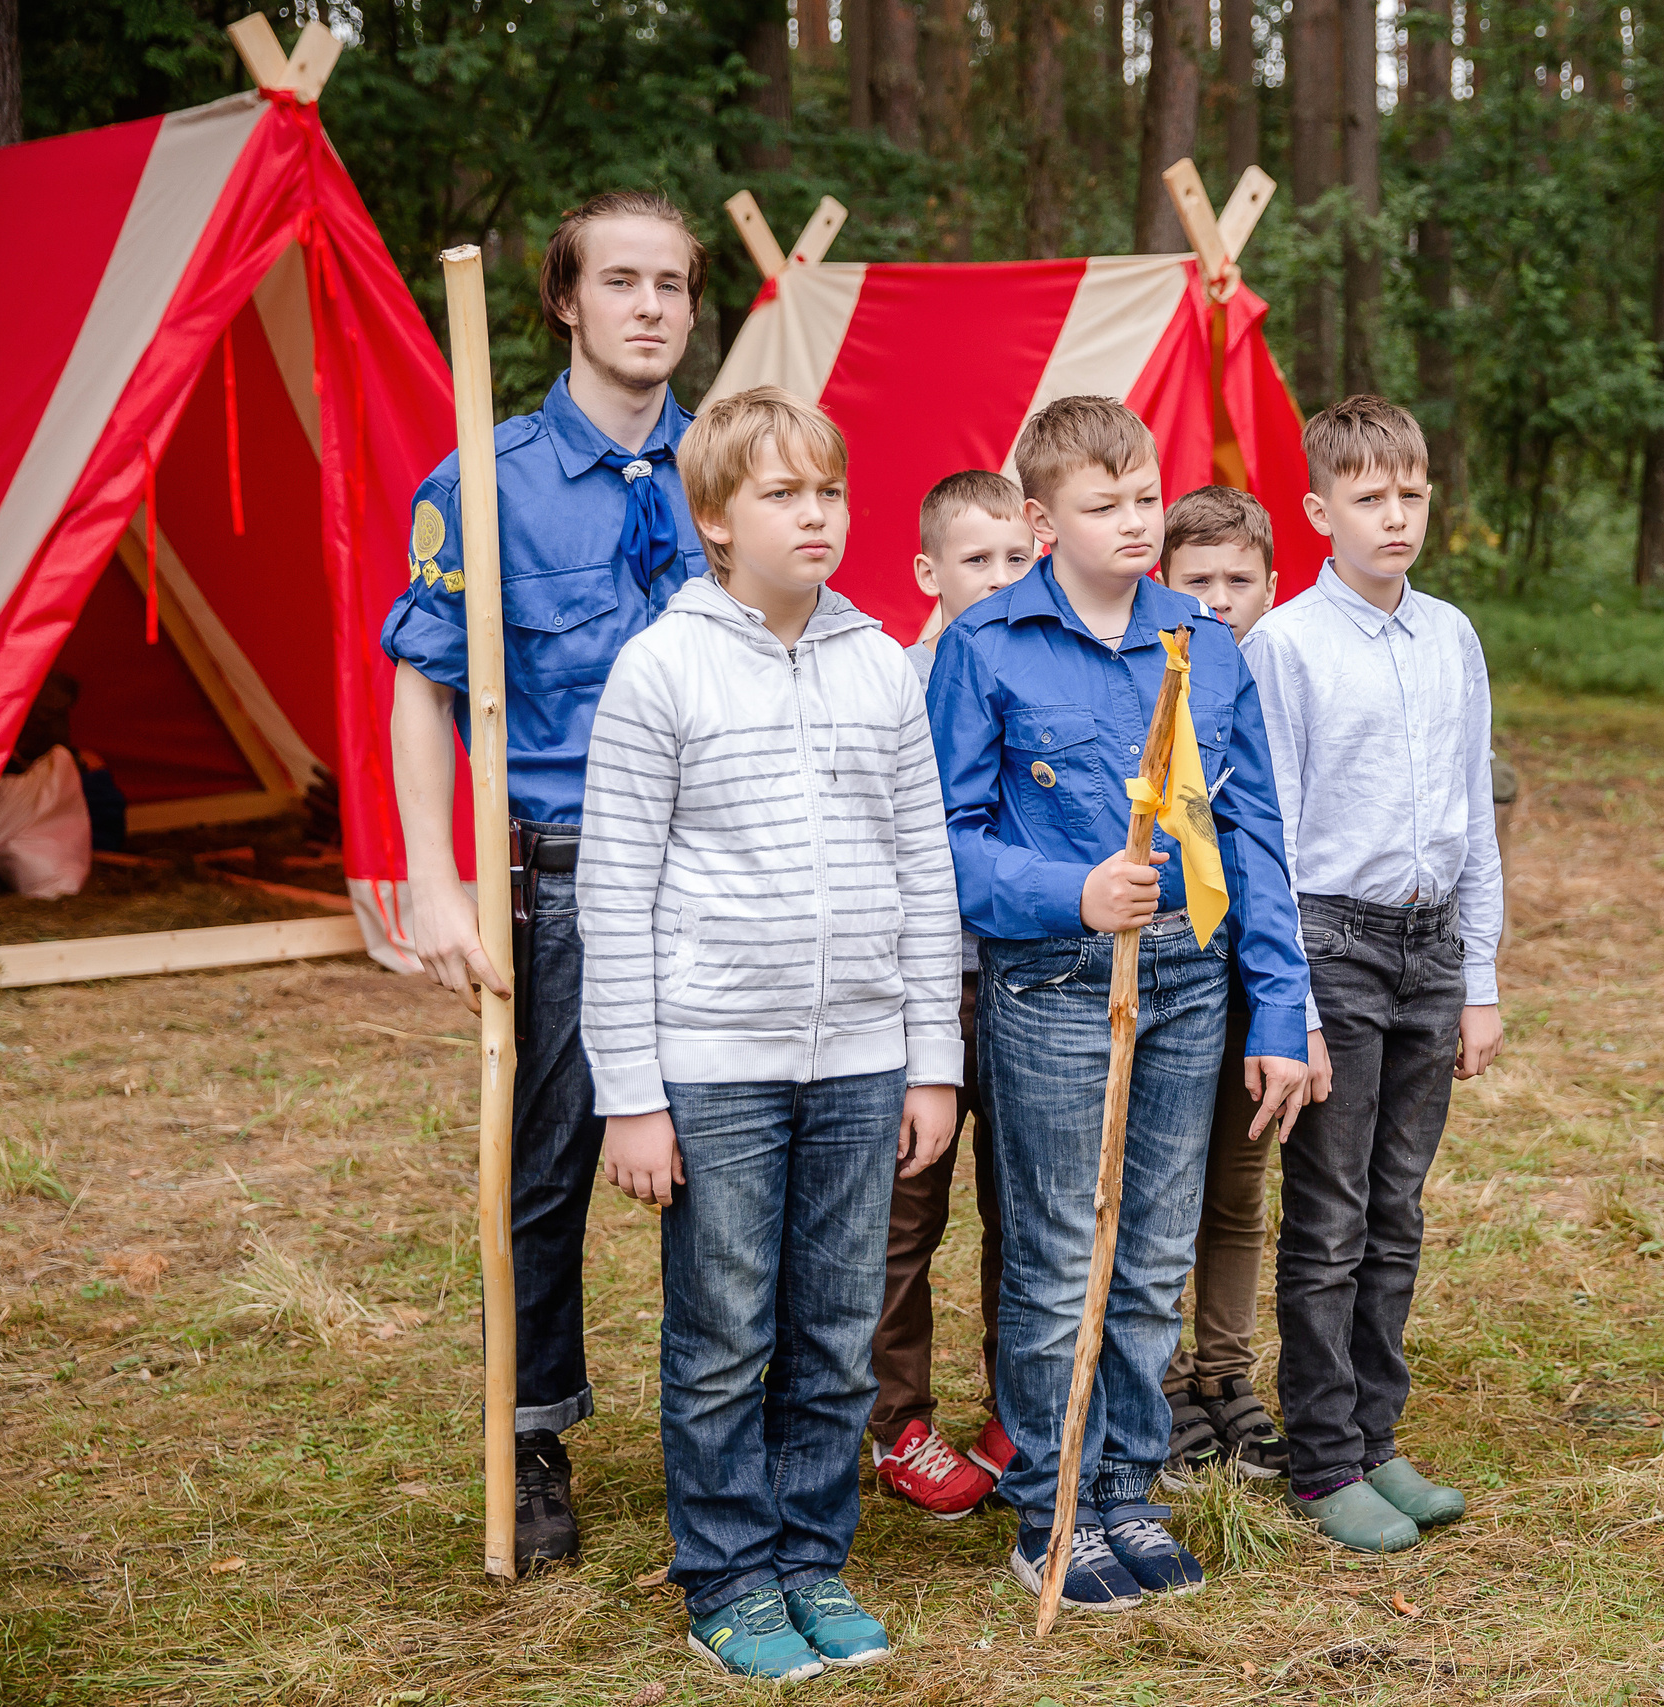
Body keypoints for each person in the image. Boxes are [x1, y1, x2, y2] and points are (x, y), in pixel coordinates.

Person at [578, 386, 962, 1677]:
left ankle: (811, 1555)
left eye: (830, 490)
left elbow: (924, 866)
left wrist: (933, 1058)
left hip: (862, 1061)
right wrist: (632, 1093)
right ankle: (730, 1572)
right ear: (713, 520)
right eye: (782, 493)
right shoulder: (661, 666)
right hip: (715, 1064)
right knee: (726, 1328)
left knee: (836, 1325)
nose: (816, 515)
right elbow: (614, 890)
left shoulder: (879, 661)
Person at [927, 396, 1314, 1612]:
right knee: (1054, 1257)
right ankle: (1056, 1497)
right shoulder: (986, 647)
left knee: (1150, 1251)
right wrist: (1068, 890)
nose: (1138, 521)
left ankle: (1130, 1488)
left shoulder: (1200, 644)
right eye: (1105, 506)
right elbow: (939, 840)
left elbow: (1252, 833)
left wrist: (1282, 1008)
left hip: (1190, 983)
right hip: (1050, 986)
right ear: (1041, 521)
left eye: (1146, 494)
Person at [378, 191, 713, 1565]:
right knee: (549, 1162)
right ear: (567, 302)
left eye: (674, 285)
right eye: (621, 282)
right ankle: (531, 1424)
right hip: (564, 870)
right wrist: (436, 879)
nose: (650, 307)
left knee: (728, 1147)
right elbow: (422, 684)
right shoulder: (481, 475)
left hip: (719, 872)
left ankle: (723, 1418)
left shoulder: (731, 470)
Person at [1243, 395, 1505, 1554]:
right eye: (1367, 497)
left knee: (1398, 1207)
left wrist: (1478, 977)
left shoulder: (1450, 636)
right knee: (1332, 1211)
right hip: (1332, 946)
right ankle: (1321, 1457)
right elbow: (1273, 833)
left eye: (1409, 493)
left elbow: (1473, 817)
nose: (1394, 515)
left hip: (1428, 946)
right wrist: (1289, 1002)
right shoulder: (1284, 645)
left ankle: (1378, 1436)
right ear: (1318, 511)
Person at [867, 469, 1036, 1517]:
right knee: (903, 1211)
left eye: (1019, 557)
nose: (1002, 577)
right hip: (919, 988)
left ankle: (1021, 1407)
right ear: (930, 571)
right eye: (977, 561)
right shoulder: (900, 681)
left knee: (1025, 1207)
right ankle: (895, 1419)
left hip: (1028, 984)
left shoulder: (1052, 669)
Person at [1151, 486, 1290, 1482]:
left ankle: (1227, 1373)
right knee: (1161, 1184)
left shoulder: (1280, 678)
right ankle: (1156, 1377)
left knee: (1238, 1191)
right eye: (1196, 580)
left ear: (1270, 587)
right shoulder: (1150, 678)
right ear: (1163, 583)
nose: (1218, 600)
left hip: (1253, 971)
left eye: (1238, 581)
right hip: (1166, 965)